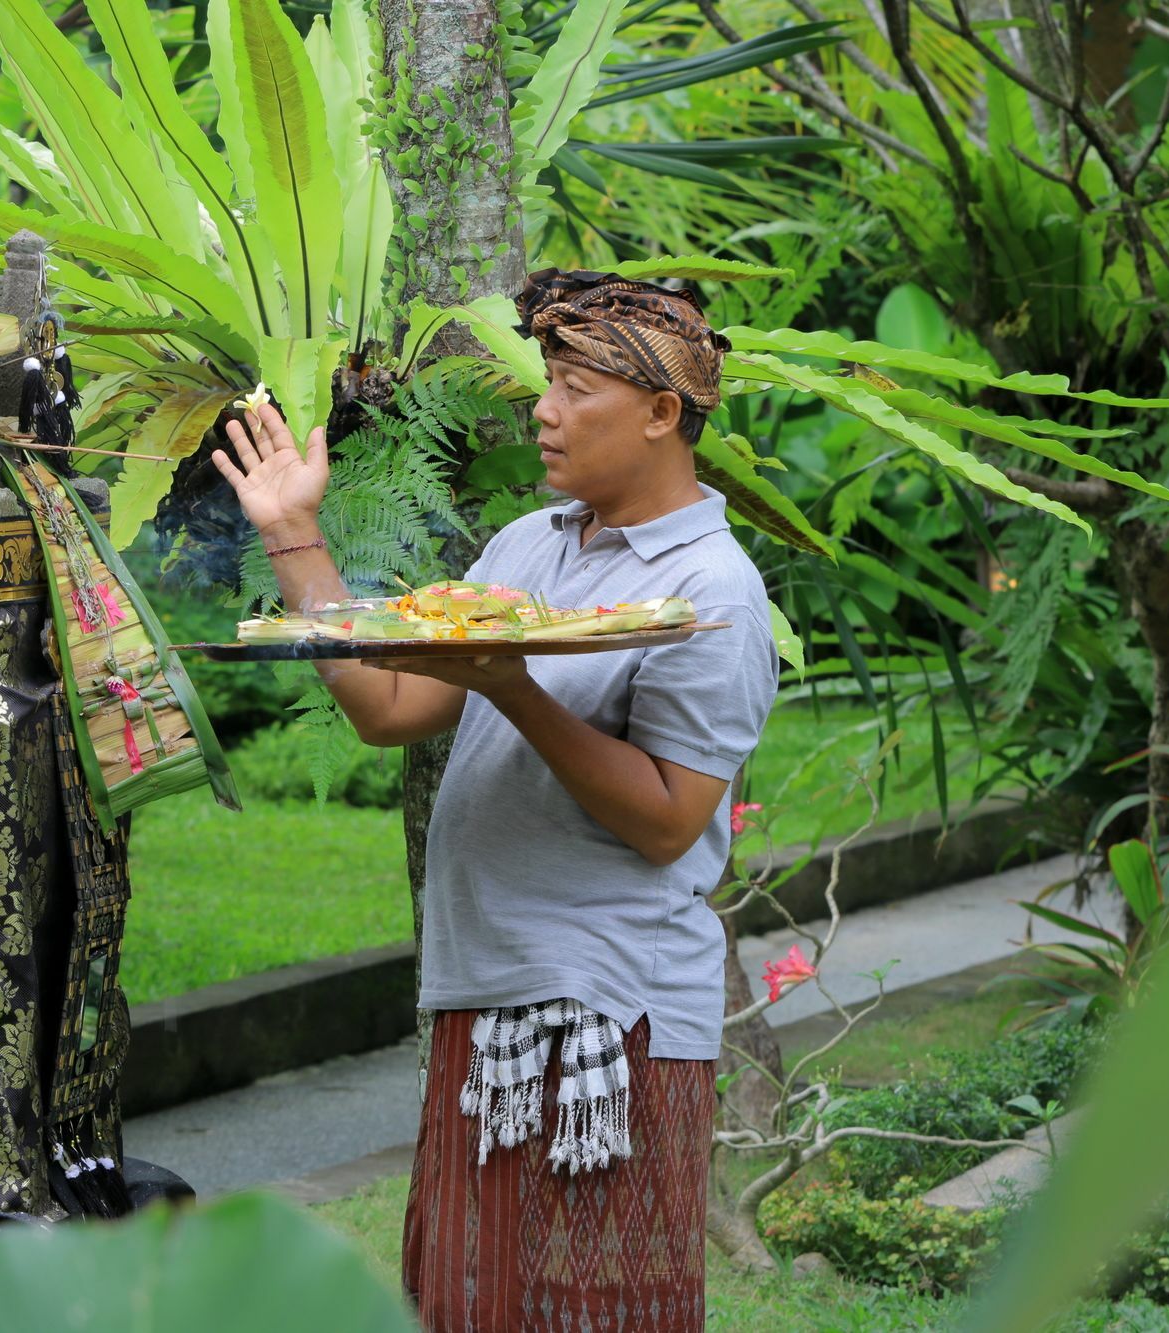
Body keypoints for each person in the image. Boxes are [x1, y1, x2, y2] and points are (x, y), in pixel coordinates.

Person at [211, 268, 777, 1330]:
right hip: (487, 991)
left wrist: (512, 688)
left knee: (592, 1310)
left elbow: (666, 822)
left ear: (662, 413)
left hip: (612, 1015)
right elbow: (383, 702)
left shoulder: (714, 593)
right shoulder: (530, 544)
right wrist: (294, 534)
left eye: (574, 387)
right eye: (545, 381)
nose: (543, 410)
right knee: (472, 1306)